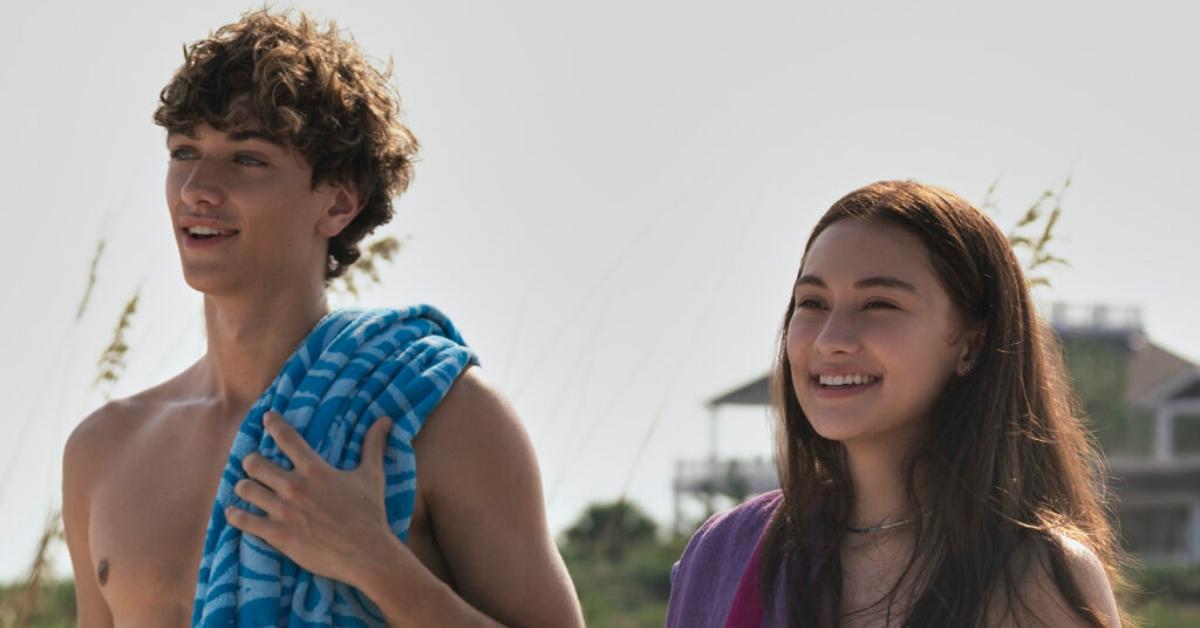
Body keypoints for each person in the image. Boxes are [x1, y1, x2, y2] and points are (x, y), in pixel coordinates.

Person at [62, 10, 583, 627]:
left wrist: (374, 562)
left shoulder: (442, 416)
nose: (197, 187)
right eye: (184, 152)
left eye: (247, 158)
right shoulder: (104, 450)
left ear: (338, 200)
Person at [666, 180, 1127, 627]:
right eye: (812, 302)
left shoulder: (1034, 577)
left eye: (878, 304)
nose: (831, 340)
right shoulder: (726, 550)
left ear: (970, 343)